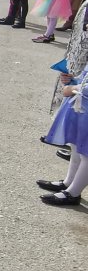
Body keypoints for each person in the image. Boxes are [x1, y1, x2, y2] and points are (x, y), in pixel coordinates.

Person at [39, 66, 88, 206]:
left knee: (86, 154)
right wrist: (72, 80)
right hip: (82, 107)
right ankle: (68, 182)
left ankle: (73, 193)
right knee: (77, 147)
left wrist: (73, 88)